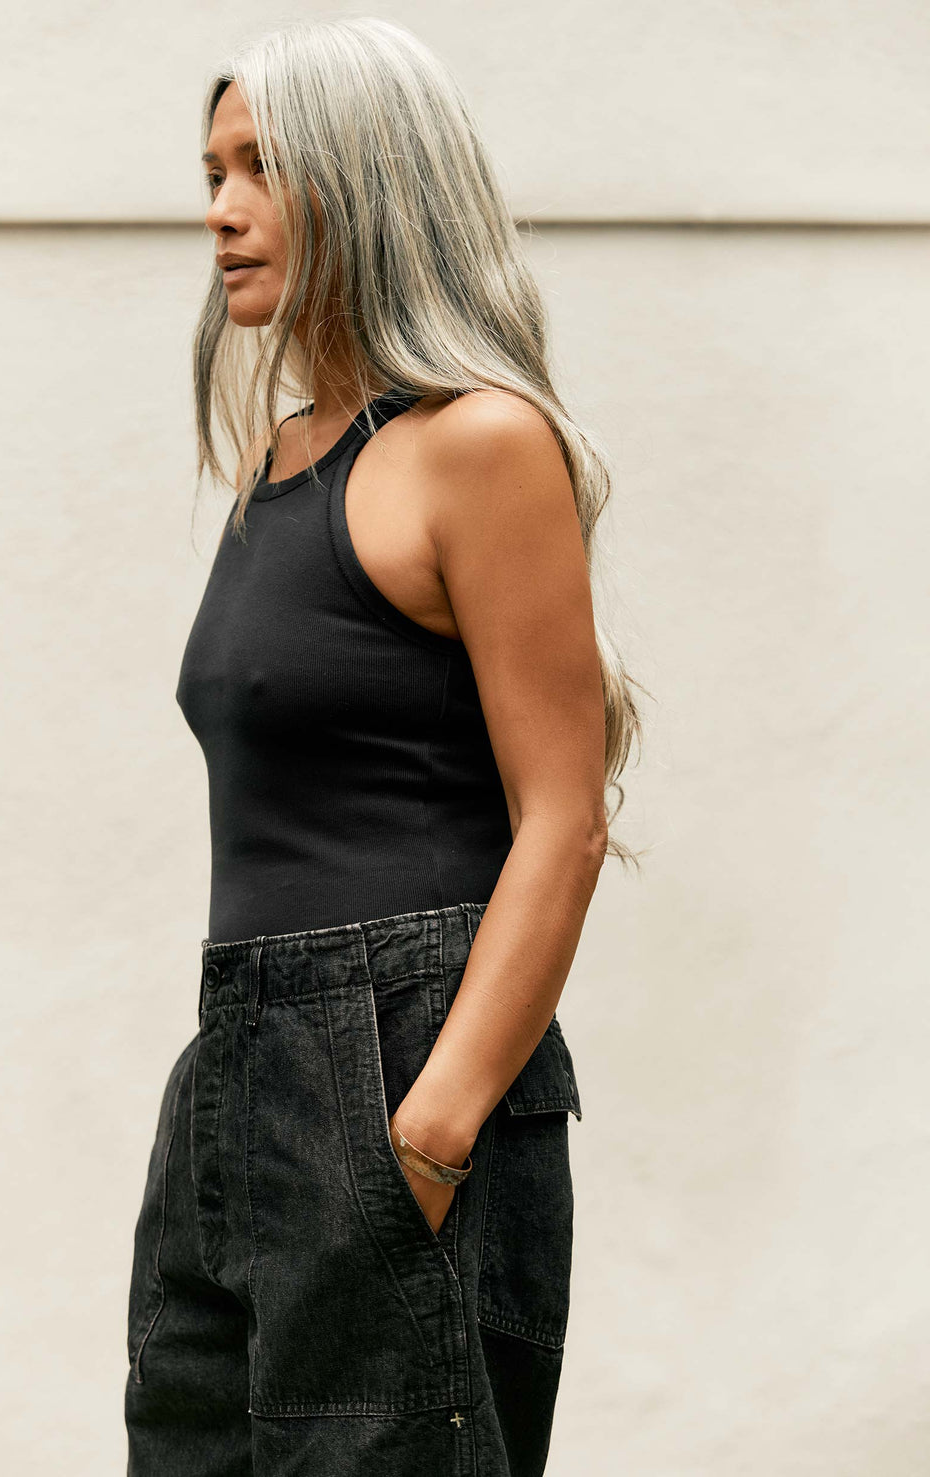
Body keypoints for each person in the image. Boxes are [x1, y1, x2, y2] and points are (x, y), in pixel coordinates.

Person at [125, 16, 643, 1476]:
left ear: (367, 177)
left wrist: (424, 1136)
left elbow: (566, 816)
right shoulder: (280, 465)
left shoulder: (482, 443)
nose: (220, 208)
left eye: (262, 168)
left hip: (400, 1052)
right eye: (211, 169)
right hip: (239, 1063)